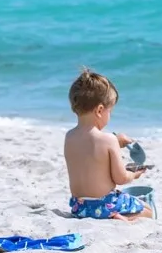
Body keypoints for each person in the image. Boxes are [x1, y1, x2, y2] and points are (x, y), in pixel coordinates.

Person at [63, 68, 153, 220]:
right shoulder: (108, 140)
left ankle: (114, 215)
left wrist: (116, 141)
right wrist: (133, 174)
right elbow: (120, 178)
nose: (110, 115)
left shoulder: (69, 137)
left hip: (79, 207)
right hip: (104, 206)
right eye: (110, 111)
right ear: (100, 110)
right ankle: (121, 219)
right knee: (147, 209)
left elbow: (90, 152)